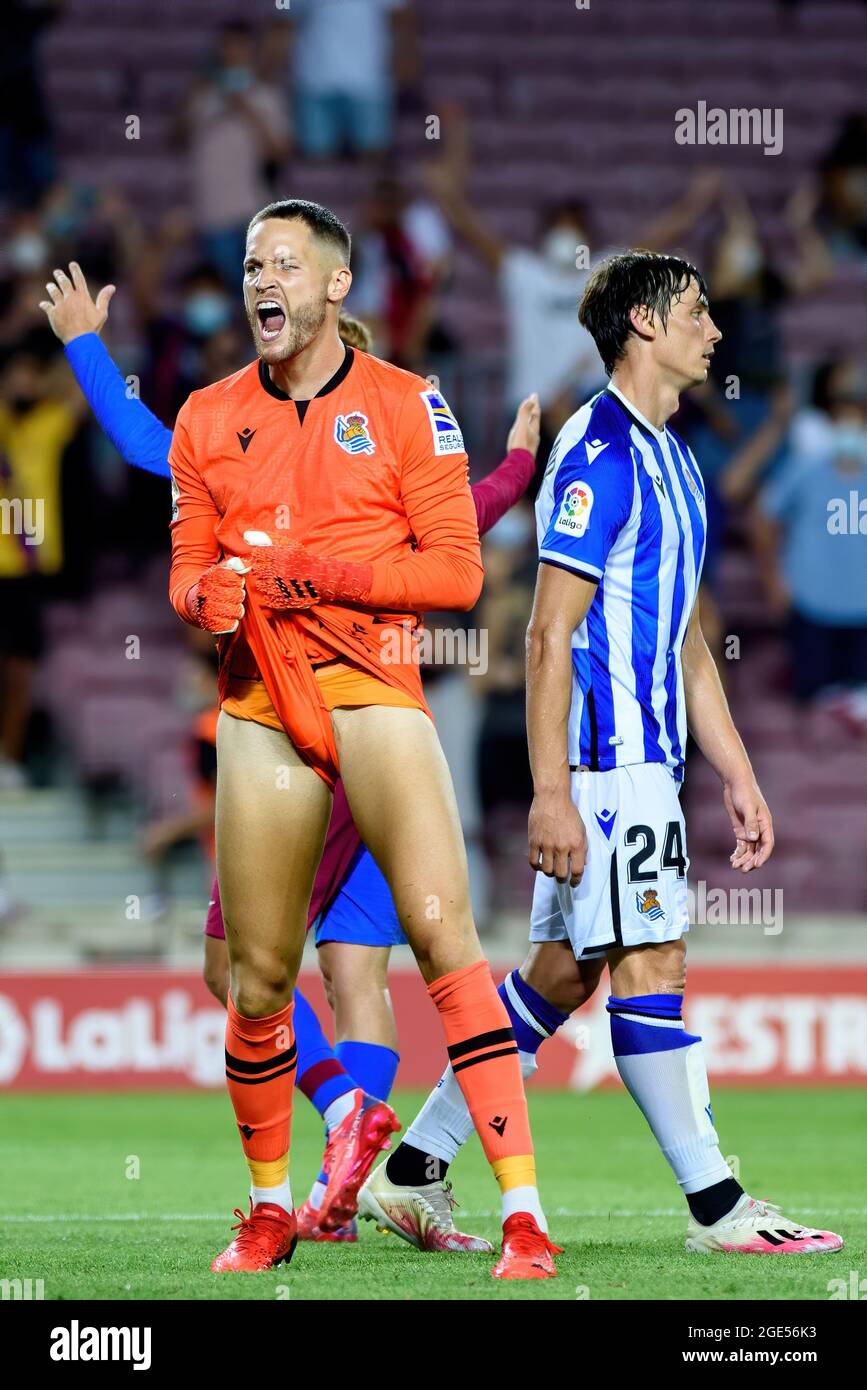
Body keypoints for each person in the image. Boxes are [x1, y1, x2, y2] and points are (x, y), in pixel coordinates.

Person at [41, 238, 551, 1277]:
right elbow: (179, 483)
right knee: (353, 973)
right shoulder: (228, 420)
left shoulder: (401, 414)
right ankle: (338, 1183)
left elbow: (453, 552)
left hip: (360, 709)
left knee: (243, 969)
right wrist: (517, 467)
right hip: (290, 713)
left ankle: (372, 1133)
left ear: (335, 291)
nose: (262, 282)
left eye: (284, 266)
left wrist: (90, 353)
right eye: (251, 267)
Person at [360, 249, 844, 1259]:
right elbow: (544, 634)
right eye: (698, 312)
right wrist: (551, 794)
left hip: (648, 768)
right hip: (606, 771)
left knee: (559, 978)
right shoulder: (597, 452)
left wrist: (739, 773)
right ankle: (718, 1205)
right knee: (651, 961)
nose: (715, 330)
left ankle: (411, 1170)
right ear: (644, 325)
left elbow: (685, 641)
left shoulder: (677, 459)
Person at [753, 359, 867, 704]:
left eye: (858, 409)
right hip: (811, 608)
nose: (851, 419)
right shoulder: (806, 465)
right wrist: (773, 581)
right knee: (812, 708)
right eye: (843, 409)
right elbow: (762, 516)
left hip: (863, 613)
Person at [176, 22, 290, 289]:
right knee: (225, 291)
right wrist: (196, 93)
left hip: (254, 210)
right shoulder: (203, 97)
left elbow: (279, 152)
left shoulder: (266, 97)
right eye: (226, 46)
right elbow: (178, 136)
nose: (232, 53)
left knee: (262, 290)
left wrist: (247, 110)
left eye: (238, 46)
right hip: (212, 211)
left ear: (250, 51)